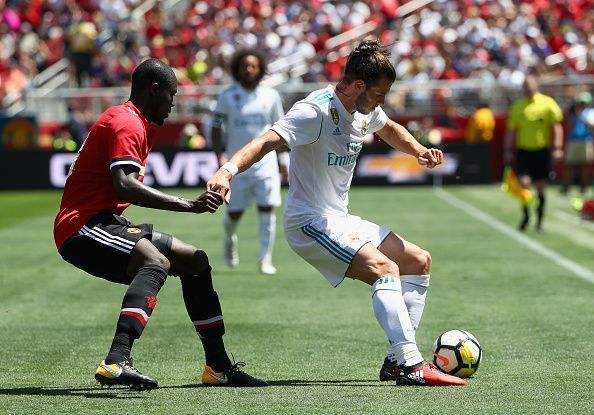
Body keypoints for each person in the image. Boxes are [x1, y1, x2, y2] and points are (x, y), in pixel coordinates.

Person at [207, 40, 466, 387]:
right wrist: (226, 171)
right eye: (379, 94)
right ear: (358, 86)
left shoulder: (364, 108)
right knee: (384, 269)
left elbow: (387, 127)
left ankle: (395, 361)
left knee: (418, 261)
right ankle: (409, 363)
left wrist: (418, 150)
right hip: (308, 222)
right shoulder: (314, 111)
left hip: (339, 219)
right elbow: (266, 141)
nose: (382, 101)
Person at [53, 58, 267, 389]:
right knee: (156, 262)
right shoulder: (127, 123)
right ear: (155, 91)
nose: (173, 103)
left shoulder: (133, 121)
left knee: (195, 261)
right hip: (81, 227)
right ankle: (116, 360)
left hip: (105, 221)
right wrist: (188, 206)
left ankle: (218, 368)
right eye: (172, 94)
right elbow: (124, 185)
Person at [211, 49, 288, 275]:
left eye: (253, 66)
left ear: (260, 69)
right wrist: (219, 156)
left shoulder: (271, 96)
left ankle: (265, 260)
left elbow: (281, 131)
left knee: (267, 210)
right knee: (234, 213)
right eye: (245, 66)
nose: (249, 70)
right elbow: (216, 128)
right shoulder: (227, 96)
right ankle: (230, 237)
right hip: (237, 166)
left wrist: (283, 160)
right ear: (238, 69)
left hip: (266, 164)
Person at [504, 74, 564, 232]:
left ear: (536, 85)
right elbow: (511, 130)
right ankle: (526, 215)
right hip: (524, 151)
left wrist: (557, 148)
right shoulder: (518, 106)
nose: (527, 87)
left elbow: (557, 126)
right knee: (524, 184)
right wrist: (508, 149)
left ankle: (539, 220)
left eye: (529, 84)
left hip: (541, 151)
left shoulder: (547, 103)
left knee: (540, 187)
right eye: (524, 84)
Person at [561, 92, 594, 197]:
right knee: (569, 165)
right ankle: (566, 188)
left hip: (586, 141)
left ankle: (583, 188)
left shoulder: (590, 112)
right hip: (573, 141)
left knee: (584, 166)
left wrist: (581, 116)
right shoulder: (573, 113)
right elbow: (569, 125)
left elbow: (591, 124)